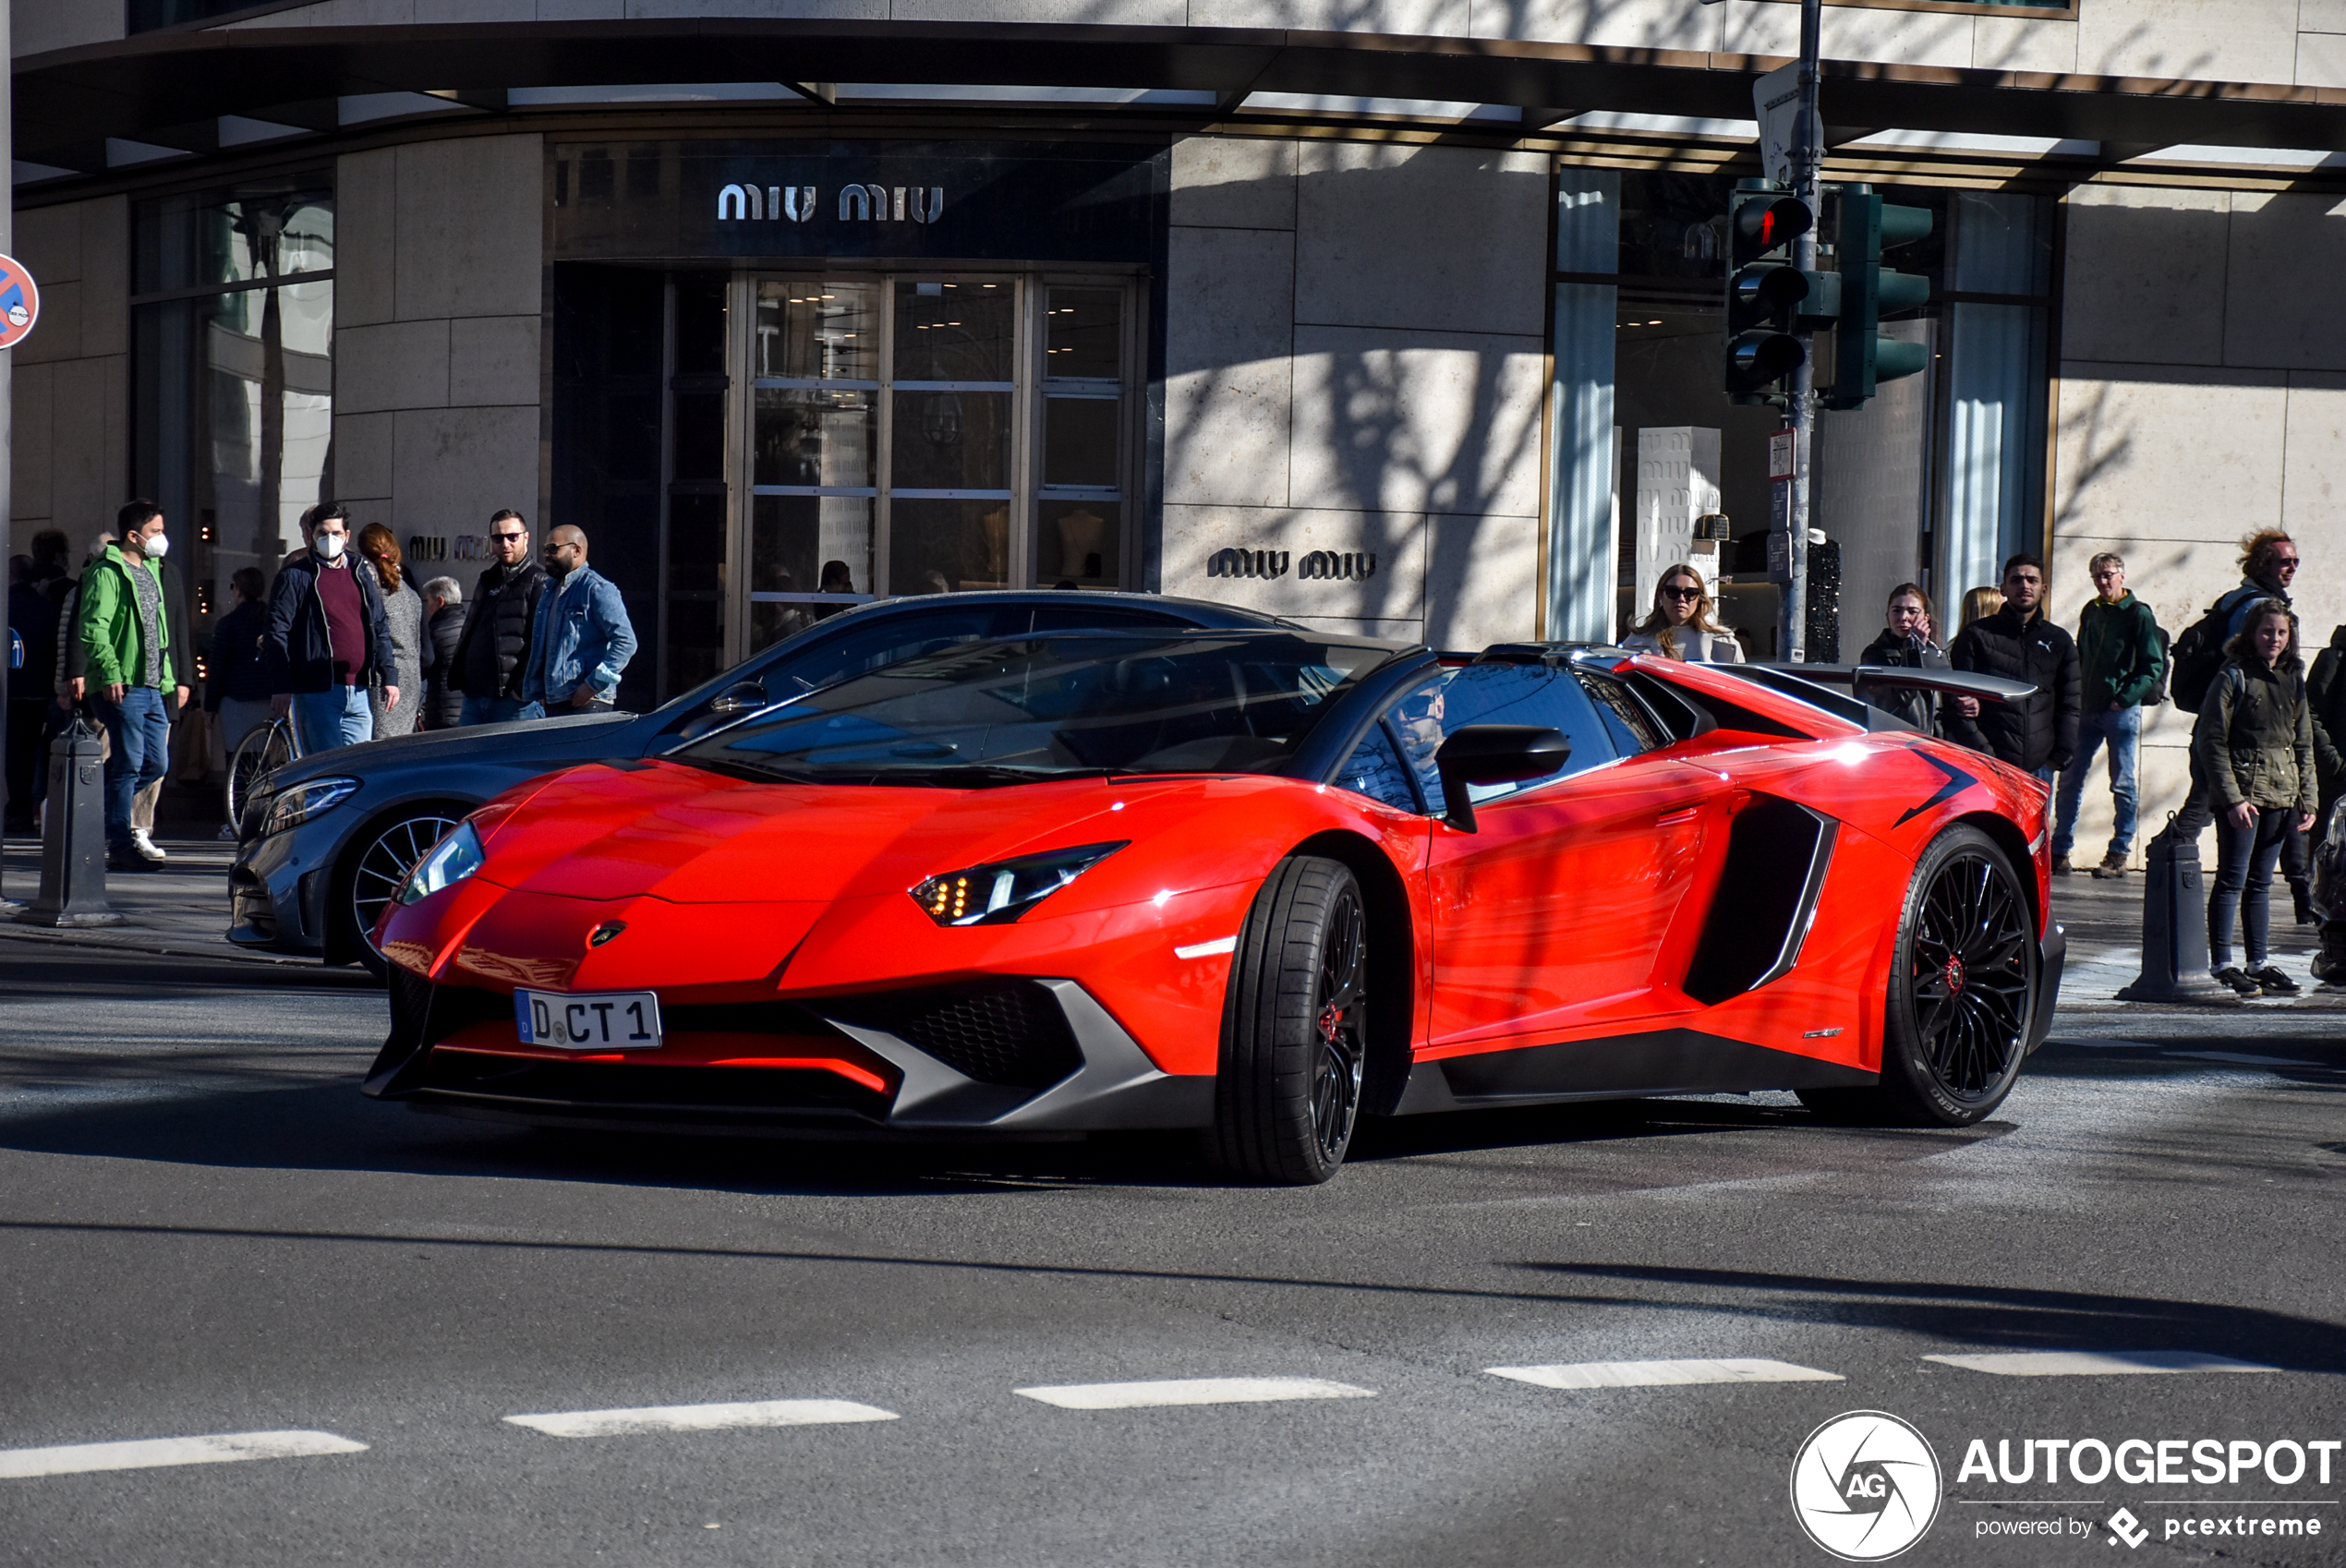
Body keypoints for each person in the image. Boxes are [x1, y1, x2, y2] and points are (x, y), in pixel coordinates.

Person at [2195, 599, 2316, 997]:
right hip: (2244, 795)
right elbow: (2210, 740)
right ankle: (2223, 963)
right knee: (2232, 878)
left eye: (2281, 633)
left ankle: (2258, 961)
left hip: (2281, 795)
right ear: (2251, 633)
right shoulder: (2233, 676)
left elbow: (2303, 743)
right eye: (2267, 631)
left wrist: (2308, 799)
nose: (2274, 640)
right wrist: (2231, 799)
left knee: (2262, 883)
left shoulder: (2293, 680)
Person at [75, 502, 178, 872]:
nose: (161, 538)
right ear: (133, 536)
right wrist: (111, 672)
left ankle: (95, 808)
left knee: (156, 762)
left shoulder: (151, 568)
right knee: (128, 764)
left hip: (151, 684)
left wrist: (167, 680)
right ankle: (120, 844)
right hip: (124, 684)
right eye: (155, 531)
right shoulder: (106, 572)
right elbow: (93, 627)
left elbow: (159, 629)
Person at [2052, 552, 2166, 878]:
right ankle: (2060, 848)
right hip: (2087, 708)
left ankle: (2119, 851)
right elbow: (2082, 654)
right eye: (2097, 576)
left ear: (2122, 576)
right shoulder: (2092, 611)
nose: (2103, 582)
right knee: (2071, 778)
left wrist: (2123, 697)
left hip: (2119, 711)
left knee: (2123, 783)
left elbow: (2152, 665)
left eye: (2108, 575)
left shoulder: (2137, 614)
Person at [265, 505, 399, 754]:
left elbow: (378, 625)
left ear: (347, 536)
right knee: (326, 770)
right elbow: (277, 631)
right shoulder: (296, 576)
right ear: (311, 536)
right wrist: (281, 685)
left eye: (336, 533)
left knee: (359, 771)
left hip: (359, 689)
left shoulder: (360, 572)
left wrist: (389, 676)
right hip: (317, 689)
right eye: (322, 533)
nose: (330, 540)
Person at [1948, 553, 2082, 782]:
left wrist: (2059, 756)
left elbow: (2071, 703)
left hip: (2040, 770)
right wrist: (1986, 757)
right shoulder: (1976, 636)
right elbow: (1956, 704)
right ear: (2003, 589)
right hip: (1987, 768)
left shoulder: (2059, 640)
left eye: (2032, 580)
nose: (2024, 586)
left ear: (2044, 589)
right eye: (2016, 580)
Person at [522, 525, 637, 716]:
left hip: (588, 704)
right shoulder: (550, 590)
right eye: (545, 549)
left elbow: (626, 642)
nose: (547, 555)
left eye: (553, 548)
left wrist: (593, 685)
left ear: (577, 550)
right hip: (555, 700)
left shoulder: (597, 589)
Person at [452, 509, 547, 725]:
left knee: (511, 759)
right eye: (498, 538)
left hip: (513, 703)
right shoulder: (487, 579)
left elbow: (541, 641)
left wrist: (522, 688)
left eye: (512, 537)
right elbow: (469, 631)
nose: (505, 544)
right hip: (474, 696)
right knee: (467, 758)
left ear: (526, 537)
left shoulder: (538, 580)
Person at [356, 524, 425, 739]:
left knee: (378, 747)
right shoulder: (410, 593)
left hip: (384, 679)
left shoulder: (371, 592)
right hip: (411, 678)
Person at [1856, 583, 1948, 734]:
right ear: (1888, 615)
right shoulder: (1876, 654)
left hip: (1935, 743)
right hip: (1898, 739)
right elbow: (1903, 697)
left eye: (1912, 612)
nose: (1903, 618)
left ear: (1926, 618)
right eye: (1896, 611)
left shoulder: (1936, 654)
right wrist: (1914, 647)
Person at [205, 566, 274, 766]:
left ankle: (236, 796)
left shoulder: (228, 624)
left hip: (235, 700)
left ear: (238, 589)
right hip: (266, 698)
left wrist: (210, 707)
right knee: (262, 760)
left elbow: (217, 667)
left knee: (237, 759)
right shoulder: (270, 621)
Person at [1621, 564, 1744, 662]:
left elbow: (1741, 689)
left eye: (1690, 593)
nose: (1681, 599)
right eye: (1673, 592)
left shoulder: (1725, 643)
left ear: (1700, 599)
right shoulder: (1635, 643)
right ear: (1660, 596)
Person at [419, 576, 466, 730]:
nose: (427, 609)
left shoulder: (433, 632)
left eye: (428, 602)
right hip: (469, 709)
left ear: (440, 601)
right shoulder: (471, 628)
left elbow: (424, 665)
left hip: (441, 709)